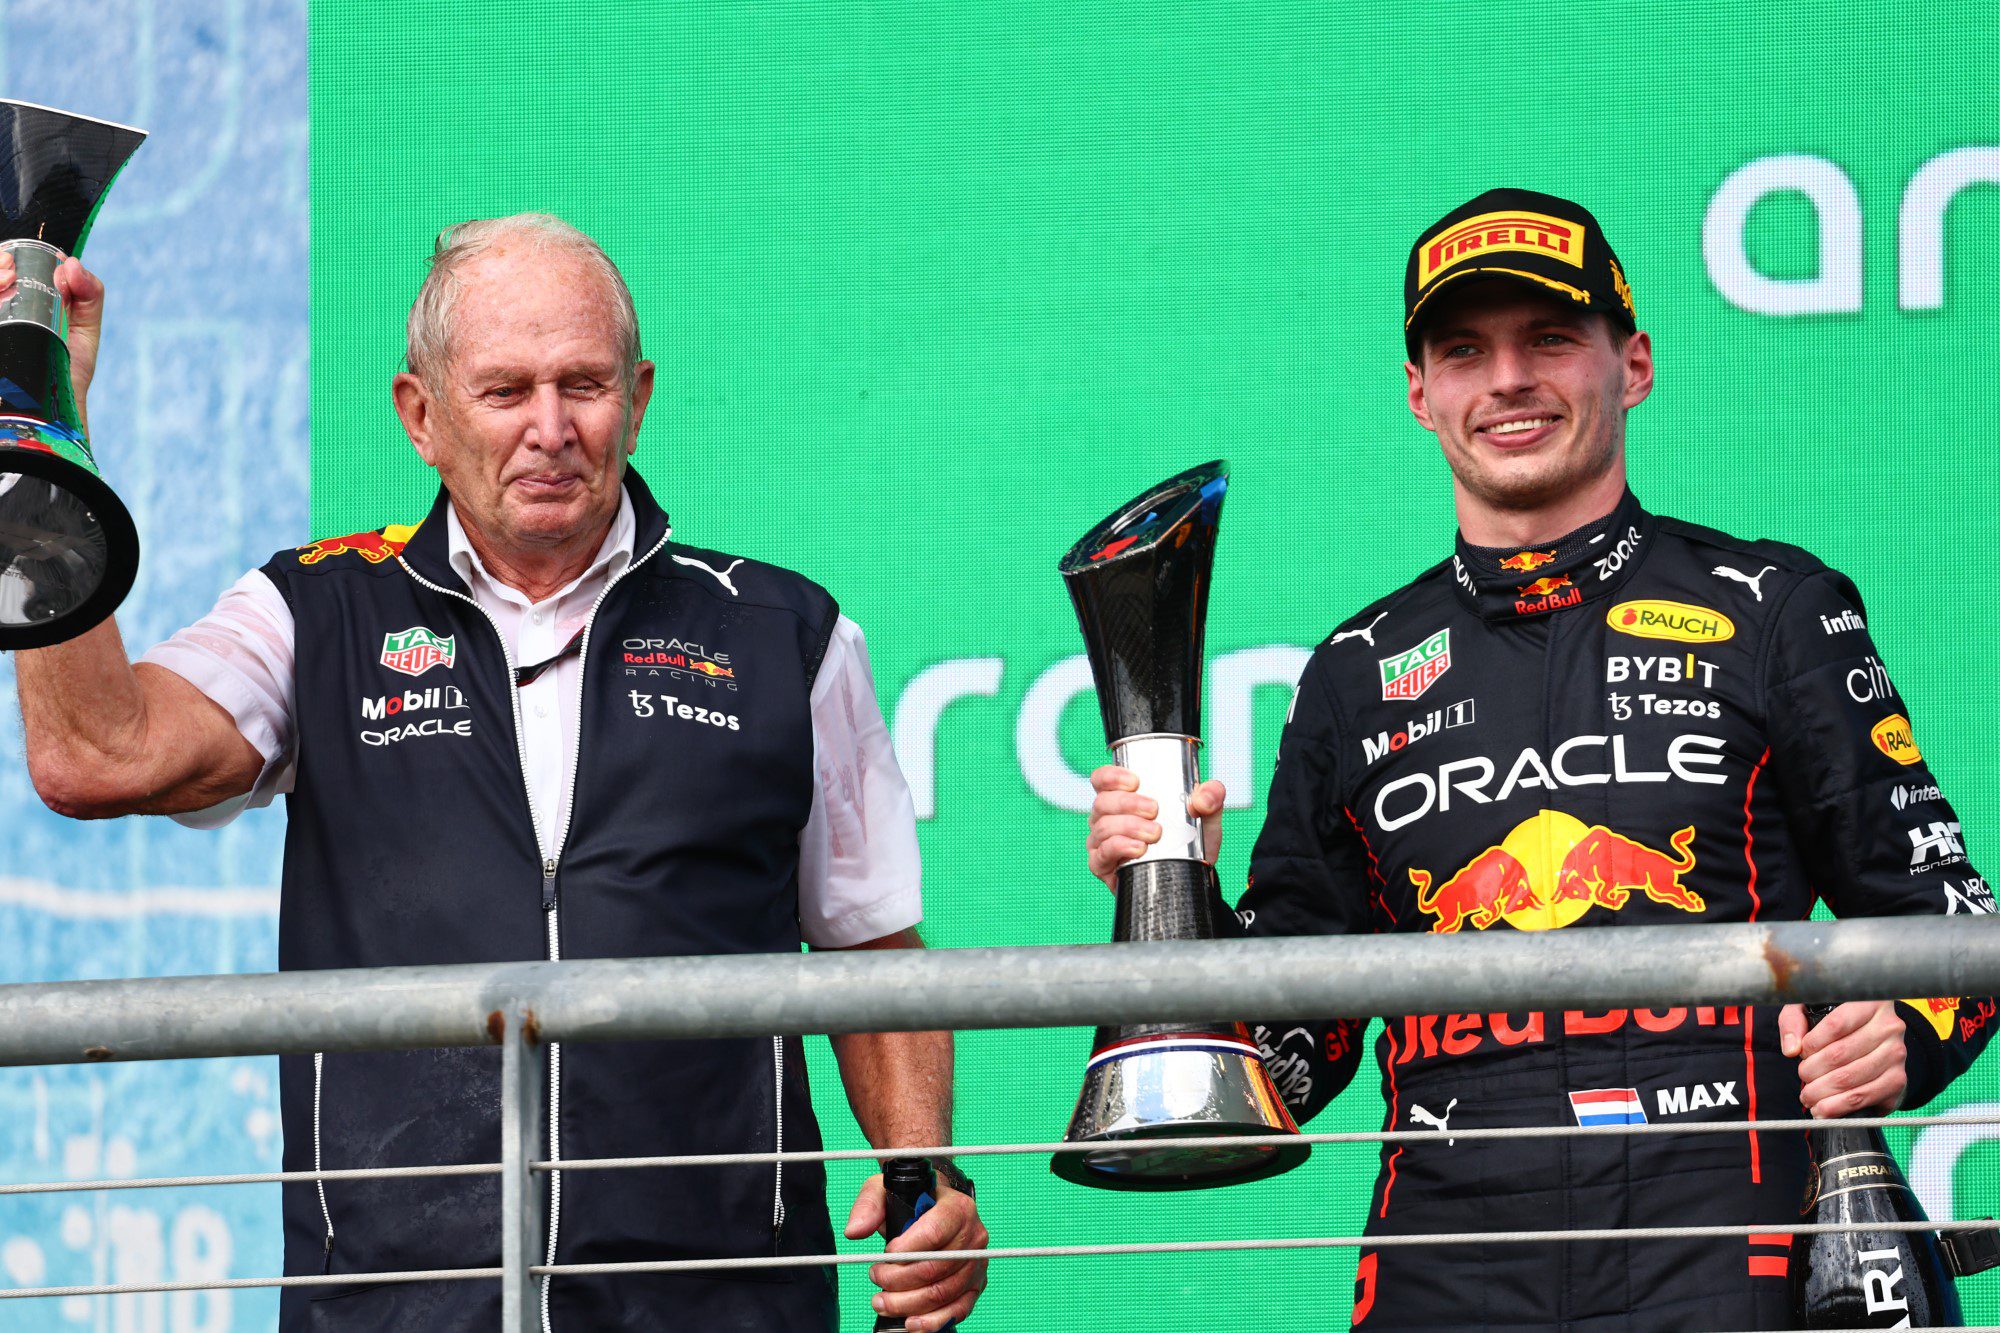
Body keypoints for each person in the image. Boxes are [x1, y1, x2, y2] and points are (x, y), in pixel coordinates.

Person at [15, 215, 986, 1333]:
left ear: (639, 397)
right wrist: (41, 433)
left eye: (584, 384)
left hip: (718, 1301)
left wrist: (928, 1175)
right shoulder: (313, 611)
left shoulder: (784, 632)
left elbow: (873, 954)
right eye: (505, 390)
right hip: (397, 1310)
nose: (550, 428)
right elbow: (96, 753)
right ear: (420, 415)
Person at [1086, 188, 1995, 1329]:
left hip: (1727, 1237)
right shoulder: (1355, 672)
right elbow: (1291, 1058)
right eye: (1464, 351)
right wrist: (1173, 890)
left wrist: (1898, 1031)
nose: (1507, 379)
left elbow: (1955, 926)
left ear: (1633, 365)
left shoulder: (1773, 609)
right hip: (1447, 1254)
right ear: (1420, 393)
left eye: (1550, 338)